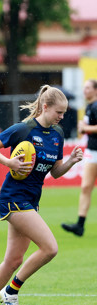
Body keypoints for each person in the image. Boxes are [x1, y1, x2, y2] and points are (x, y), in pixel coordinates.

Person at [0, 85, 83, 305]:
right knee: (50, 248)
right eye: (58, 112)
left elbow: (55, 172)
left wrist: (71, 161)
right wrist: (9, 162)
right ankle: (11, 291)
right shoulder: (24, 129)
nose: (62, 116)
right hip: (13, 198)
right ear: (45, 107)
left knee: (13, 260)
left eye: (64, 113)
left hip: (31, 200)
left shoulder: (57, 134)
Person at [62, 79, 97, 236]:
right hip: (92, 150)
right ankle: (80, 225)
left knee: (86, 187)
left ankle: (80, 225)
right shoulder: (90, 106)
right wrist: (84, 129)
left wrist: (85, 128)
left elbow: (90, 128)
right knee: (85, 187)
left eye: (88, 88)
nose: (84, 91)